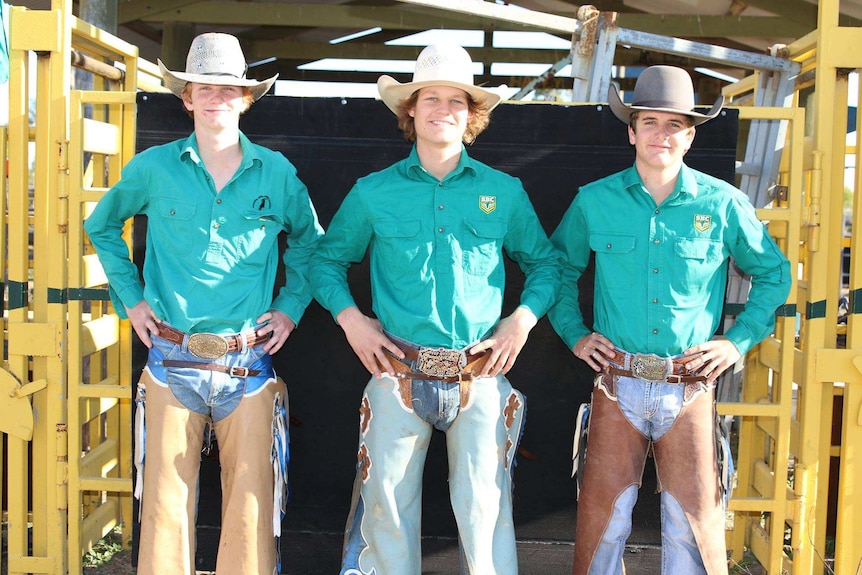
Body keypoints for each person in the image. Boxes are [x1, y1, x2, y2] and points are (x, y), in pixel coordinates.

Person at [309, 43, 561, 575]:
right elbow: (326, 262)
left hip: (479, 375)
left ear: (472, 115)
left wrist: (521, 321)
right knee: (386, 512)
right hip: (396, 370)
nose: (442, 109)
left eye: (456, 100)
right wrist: (351, 320)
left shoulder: (503, 192)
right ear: (410, 109)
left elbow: (546, 265)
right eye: (430, 98)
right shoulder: (373, 192)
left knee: (486, 511)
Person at [84, 32, 324, 575]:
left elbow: (313, 242)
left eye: (229, 88)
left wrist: (289, 307)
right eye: (204, 88)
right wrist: (133, 301)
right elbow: (101, 225)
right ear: (186, 96)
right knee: (165, 510)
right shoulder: (153, 167)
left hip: (248, 365)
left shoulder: (277, 173)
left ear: (246, 98)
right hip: (171, 361)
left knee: (252, 509)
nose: (217, 97)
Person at [548, 65, 791, 575]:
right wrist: (574, 334)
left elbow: (774, 274)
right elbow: (557, 270)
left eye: (675, 124)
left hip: (691, 386)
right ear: (632, 131)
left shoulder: (723, 203)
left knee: (691, 527)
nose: (662, 133)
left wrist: (736, 342)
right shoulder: (595, 200)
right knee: (603, 524)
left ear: (691, 135)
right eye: (651, 122)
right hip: (618, 383)